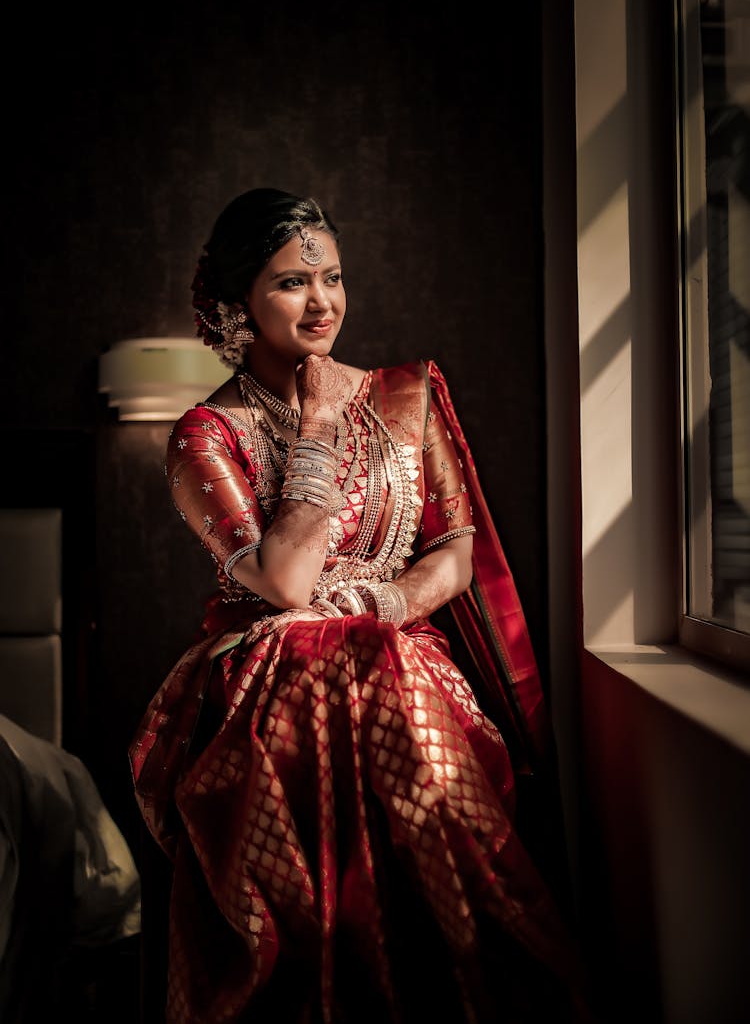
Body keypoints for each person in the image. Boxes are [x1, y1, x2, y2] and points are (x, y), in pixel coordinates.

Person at [129, 188, 590, 1023]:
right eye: (291, 283)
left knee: (384, 679)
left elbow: (456, 554)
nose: (322, 302)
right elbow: (285, 585)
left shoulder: (406, 398)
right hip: (264, 685)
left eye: (333, 278)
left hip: (398, 655)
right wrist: (315, 430)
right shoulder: (204, 435)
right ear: (239, 303)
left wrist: (377, 604)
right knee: (325, 676)